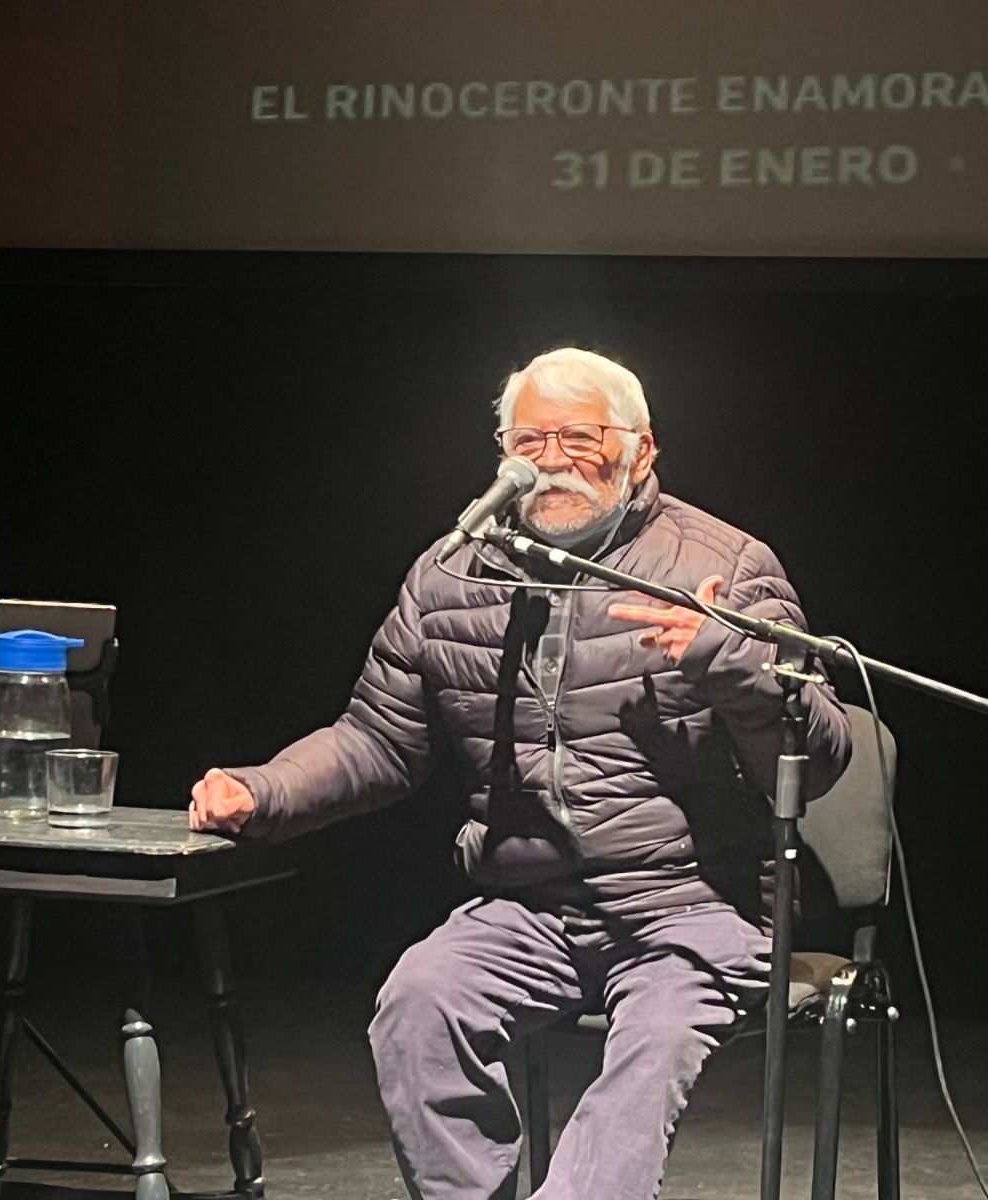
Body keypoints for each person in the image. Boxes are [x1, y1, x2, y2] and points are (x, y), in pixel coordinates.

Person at [189, 347, 851, 1200]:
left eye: (580, 437)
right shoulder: (452, 575)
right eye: (528, 439)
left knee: (651, 1048)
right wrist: (264, 789)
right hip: (529, 904)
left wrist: (730, 659)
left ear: (640, 451)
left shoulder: (722, 567)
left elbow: (822, 754)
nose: (549, 462)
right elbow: (378, 739)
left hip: (698, 903)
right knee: (419, 1003)